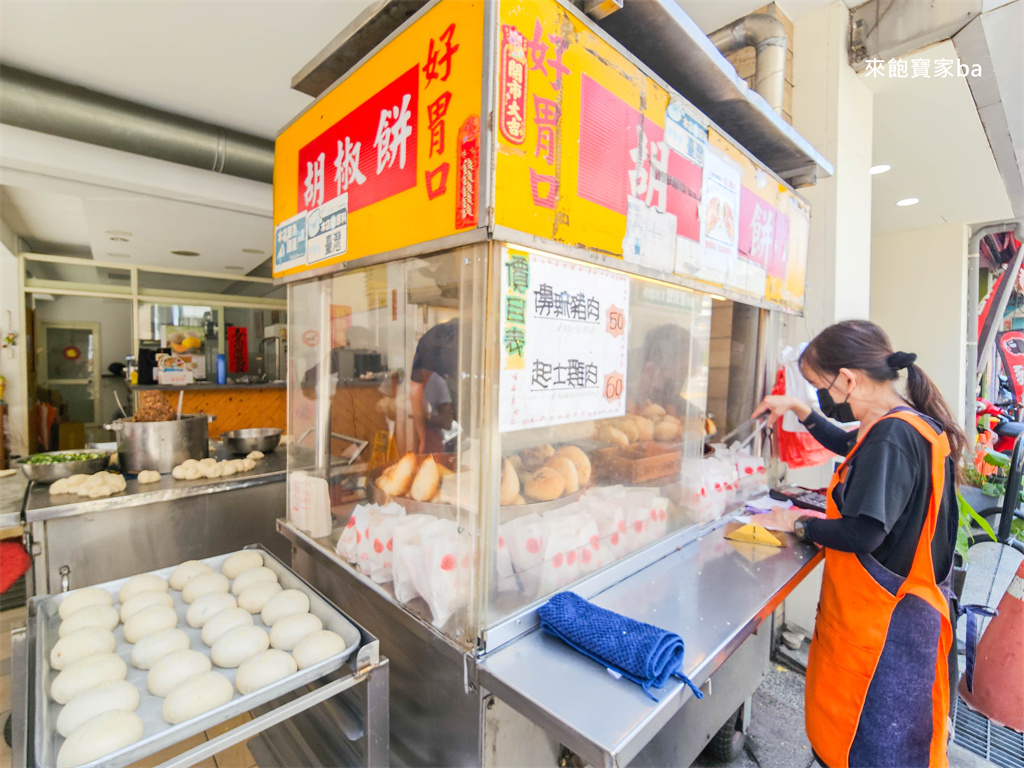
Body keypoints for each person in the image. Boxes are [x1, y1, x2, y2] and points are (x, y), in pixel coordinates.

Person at [753, 320, 964, 768]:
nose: (822, 397)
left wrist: (798, 524)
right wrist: (799, 409)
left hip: (887, 631)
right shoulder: (901, 423)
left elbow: (865, 532)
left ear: (848, 379)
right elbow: (845, 440)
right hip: (897, 617)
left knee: (873, 747)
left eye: (819, 388)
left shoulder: (892, 437)